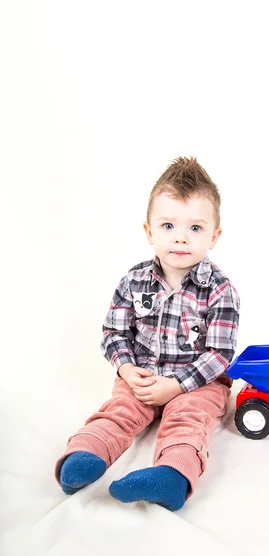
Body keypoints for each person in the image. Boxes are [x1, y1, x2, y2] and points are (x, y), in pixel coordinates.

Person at [54, 156, 240, 511]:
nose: (181, 238)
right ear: (148, 231)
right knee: (120, 409)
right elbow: (114, 332)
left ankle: (171, 476)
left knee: (189, 420)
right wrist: (126, 369)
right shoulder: (133, 280)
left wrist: (177, 385)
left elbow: (219, 355)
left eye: (196, 229)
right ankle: (85, 455)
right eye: (168, 225)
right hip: (142, 375)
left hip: (198, 382)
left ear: (214, 236)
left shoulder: (220, 290)